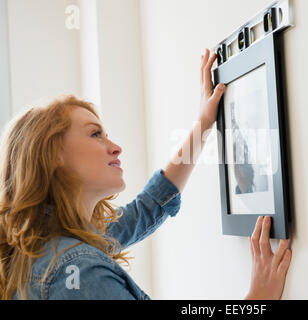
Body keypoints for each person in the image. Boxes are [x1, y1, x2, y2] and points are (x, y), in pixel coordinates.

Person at [0, 49, 291, 300]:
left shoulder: (46, 244)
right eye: (95, 134)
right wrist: (258, 298)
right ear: (53, 156)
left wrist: (204, 122)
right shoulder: (77, 271)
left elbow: (149, 205)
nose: (115, 147)